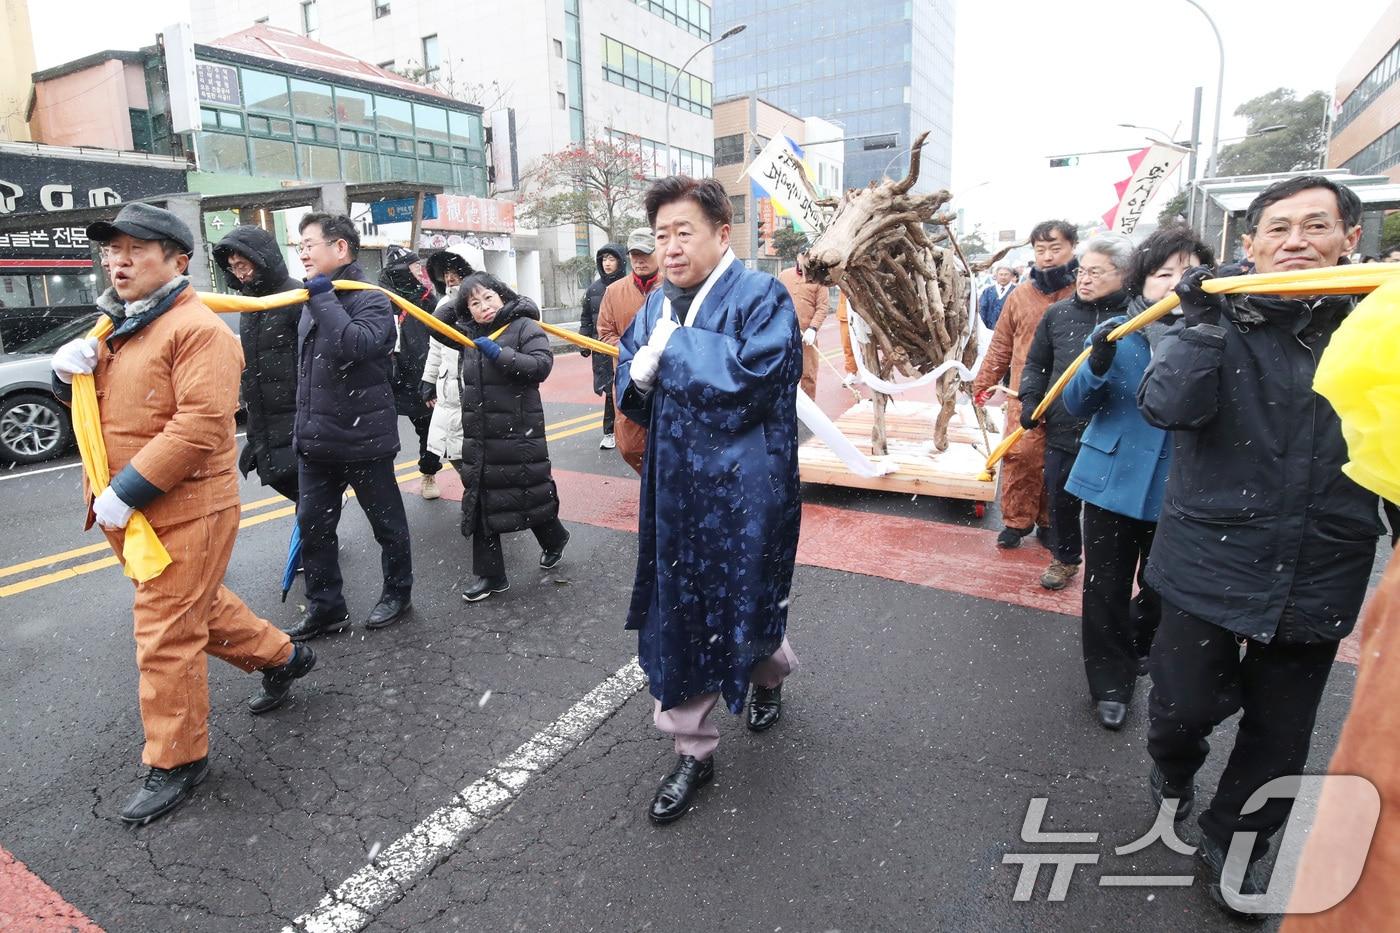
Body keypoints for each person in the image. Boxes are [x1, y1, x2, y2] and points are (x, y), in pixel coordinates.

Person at [1137, 176, 1379, 918]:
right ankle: (1173, 768)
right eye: (1278, 229)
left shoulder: (1380, 327)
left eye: (1315, 226)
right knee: (1181, 706)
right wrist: (1201, 320)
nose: (1296, 241)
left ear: (1350, 241)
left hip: (1322, 562)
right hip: (1209, 556)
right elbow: (1167, 405)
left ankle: (1236, 841)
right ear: (1250, 246)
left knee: (1281, 734)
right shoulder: (1216, 319)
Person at [49, 203, 317, 824]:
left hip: (185, 506)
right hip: (134, 510)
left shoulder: (199, 330)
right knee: (201, 607)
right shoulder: (115, 324)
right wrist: (68, 381)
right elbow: (109, 406)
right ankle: (285, 657)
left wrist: (127, 490)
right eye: (112, 251)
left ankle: (177, 758)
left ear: (177, 261)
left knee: (165, 630)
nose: (118, 261)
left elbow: (199, 427)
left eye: (135, 250)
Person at [617, 176, 802, 824]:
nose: (669, 247)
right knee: (681, 617)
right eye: (661, 234)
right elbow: (631, 372)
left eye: (683, 231)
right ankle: (693, 749)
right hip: (675, 494)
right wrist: (636, 375)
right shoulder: (654, 306)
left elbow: (759, 378)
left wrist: (679, 350)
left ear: (723, 233)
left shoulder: (762, 295)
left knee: (747, 604)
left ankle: (770, 678)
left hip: (746, 494)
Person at [1060, 227, 1215, 730]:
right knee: (1103, 586)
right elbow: (1076, 403)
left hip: (1183, 486)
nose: (1175, 282)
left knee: (1164, 587)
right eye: (1162, 274)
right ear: (1141, 284)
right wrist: (1097, 365)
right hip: (1110, 479)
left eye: (1188, 271)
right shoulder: (1116, 333)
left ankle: (1137, 640)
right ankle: (1110, 681)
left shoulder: (1219, 334)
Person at [285, 212, 414, 640]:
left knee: (387, 525)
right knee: (315, 529)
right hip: (316, 442)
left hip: (364, 440)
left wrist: (322, 298)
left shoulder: (371, 297)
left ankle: (398, 592)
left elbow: (355, 345)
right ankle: (326, 607)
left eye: (309, 244)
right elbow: (307, 372)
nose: (302, 253)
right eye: (299, 245)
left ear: (340, 248)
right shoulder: (314, 296)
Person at [434, 272, 570, 602]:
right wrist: (461, 297)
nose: (484, 307)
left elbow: (540, 366)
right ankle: (491, 576)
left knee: (527, 495)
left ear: (503, 295)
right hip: (480, 434)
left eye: (489, 298)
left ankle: (554, 538)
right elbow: (436, 323)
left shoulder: (524, 326)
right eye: (475, 303)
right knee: (482, 498)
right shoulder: (467, 334)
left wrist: (498, 353)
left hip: (519, 432)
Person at [1017, 233, 1134, 590]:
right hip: (1065, 426)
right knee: (1062, 500)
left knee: (1111, 510)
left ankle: (1111, 573)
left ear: (1125, 274)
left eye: (1096, 273)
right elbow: (1037, 363)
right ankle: (1065, 558)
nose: (1084, 279)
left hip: (1115, 430)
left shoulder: (1135, 316)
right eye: (1082, 271)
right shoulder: (1058, 313)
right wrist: (1030, 399)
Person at [969, 220, 1079, 550]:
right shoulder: (1019, 296)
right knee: (1019, 456)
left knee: (1057, 463)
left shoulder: (1082, 294)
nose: (1047, 257)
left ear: (1073, 248)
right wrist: (985, 382)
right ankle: (1016, 522)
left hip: (1068, 395)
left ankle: (1048, 521)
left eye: (1055, 248)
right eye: (1040, 250)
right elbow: (1001, 342)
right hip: (1022, 392)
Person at [212, 225, 303, 502]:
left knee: (301, 483)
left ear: (261, 259)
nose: (240, 273)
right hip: (263, 410)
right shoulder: (249, 302)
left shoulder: (296, 295)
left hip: (295, 409)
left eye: (243, 264)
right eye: (233, 267)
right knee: (275, 474)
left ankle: (316, 532)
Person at [379, 245, 444, 500]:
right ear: (401, 270)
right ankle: (376, 486)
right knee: (377, 438)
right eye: (415, 266)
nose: (420, 271)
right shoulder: (379, 298)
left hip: (419, 378)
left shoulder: (428, 299)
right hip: (385, 381)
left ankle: (428, 473)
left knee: (430, 431)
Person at [596, 228, 662, 473]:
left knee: (668, 442)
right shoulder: (614, 292)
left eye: (645, 254)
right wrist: (630, 353)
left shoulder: (674, 285)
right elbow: (604, 332)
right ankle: (649, 480)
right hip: (628, 379)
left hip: (666, 380)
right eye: (634, 254)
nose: (639, 260)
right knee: (630, 445)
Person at [420, 246, 476, 476]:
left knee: (476, 451)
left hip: (473, 386)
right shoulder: (443, 305)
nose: (450, 277)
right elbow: (436, 348)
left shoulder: (482, 301)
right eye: (445, 272)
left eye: (456, 271)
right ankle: (474, 494)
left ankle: (479, 497)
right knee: (453, 450)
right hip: (448, 391)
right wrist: (428, 380)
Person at [579, 243, 627, 449]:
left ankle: (629, 429)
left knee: (627, 389)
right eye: (604, 259)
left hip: (624, 348)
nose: (607, 264)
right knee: (609, 391)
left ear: (620, 261)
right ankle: (609, 432)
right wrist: (584, 342)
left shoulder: (629, 285)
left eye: (611, 259)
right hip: (602, 350)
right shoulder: (593, 290)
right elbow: (586, 319)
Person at [778, 248, 832, 399]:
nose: (807, 258)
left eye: (811, 256)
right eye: (804, 255)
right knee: (783, 372)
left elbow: (822, 307)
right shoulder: (784, 275)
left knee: (808, 374)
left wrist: (813, 328)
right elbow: (775, 299)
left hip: (806, 337)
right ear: (798, 256)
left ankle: (809, 412)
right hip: (784, 335)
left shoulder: (820, 279)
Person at [978, 262, 1017, 331]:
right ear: (996, 276)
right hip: (989, 331)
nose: (1003, 277)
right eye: (1001, 274)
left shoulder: (1017, 291)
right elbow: (982, 310)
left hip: (1010, 331)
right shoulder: (988, 291)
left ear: (1011, 276)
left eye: (1006, 274)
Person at [834, 291, 860, 389]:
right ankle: (851, 372)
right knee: (847, 345)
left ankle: (868, 370)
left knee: (864, 344)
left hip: (860, 312)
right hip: (845, 313)